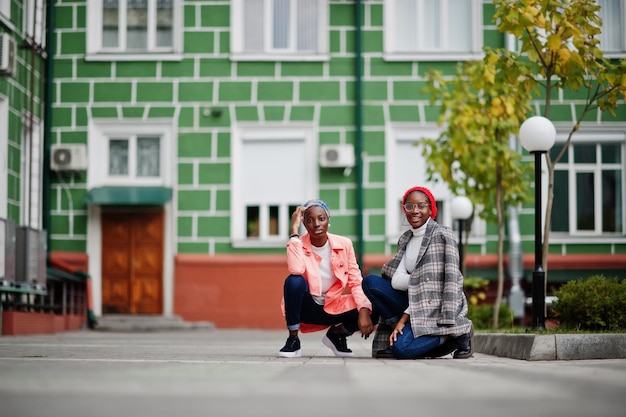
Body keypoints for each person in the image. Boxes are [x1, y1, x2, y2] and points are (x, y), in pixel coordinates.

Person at [362, 186, 474, 359]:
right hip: (414, 302)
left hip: (435, 307)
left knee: (401, 350)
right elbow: (395, 280)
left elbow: (452, 279)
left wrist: (449, 318)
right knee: (370, 283)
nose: (415, 211)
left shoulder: (443, 234)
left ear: (430, 209)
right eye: (409, 206)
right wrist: (423, 282)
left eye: (421, 206)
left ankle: (455, 335)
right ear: (404, 209)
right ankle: (398, 331)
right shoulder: (406, 239)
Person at [278, 199, 375, 358]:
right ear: (305, 224)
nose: (316, 224)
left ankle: (337, 335)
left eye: (321, 218)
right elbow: (296, 270)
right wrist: (293, 232)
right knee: (293, 281)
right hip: (307, 307)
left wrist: (364, 311)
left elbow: (355, 281)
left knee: (374, 304)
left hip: (333, 306)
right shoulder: (298, 244)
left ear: (328, 220)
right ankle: (293, 340)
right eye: (310, 220)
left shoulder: (344, 244)